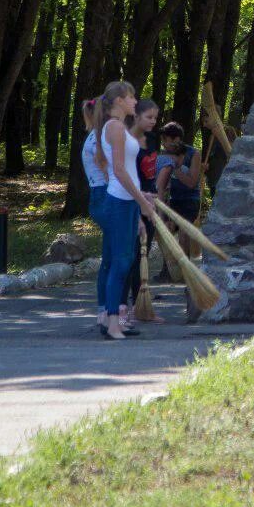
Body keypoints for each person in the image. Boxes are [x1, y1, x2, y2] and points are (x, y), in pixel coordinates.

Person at [94, 81, 157, 340]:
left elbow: (125, 170)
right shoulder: (116, 127)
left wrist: (140, 195)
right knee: (120, 262)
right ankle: (112, 323)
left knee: (119, 261)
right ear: (120, 100)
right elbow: (118, 170)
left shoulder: (117, 127)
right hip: (119, 203)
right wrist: (141, 201)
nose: (135, 101)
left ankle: (111, 320)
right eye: (131, 97)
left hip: (126, 201)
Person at [124, 99, 160, 326]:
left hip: (150, 201)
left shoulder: (153, 140)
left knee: (145, 252)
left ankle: (141, 303)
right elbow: (126, 175)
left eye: (155, 118)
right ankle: (132, 304)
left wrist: (154, 199)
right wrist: (139, 201)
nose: (153, 122)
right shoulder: (126, 141)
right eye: (149, 117)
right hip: (133, 201)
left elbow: (150, 174)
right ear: (136, 116)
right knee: (134, 255)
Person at [156, 122, 202, 224]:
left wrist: (175, 167)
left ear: (176, 140)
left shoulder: (193, 154)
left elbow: (192, 183)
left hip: (189, 199)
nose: (162, 144)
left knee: (184, 237)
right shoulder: (163, 155)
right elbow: (161, 185)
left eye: (165, 140)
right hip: (171, 200)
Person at [80, 98, 109, 228]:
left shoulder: (95, 135)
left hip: (99, 192)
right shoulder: (99, 137)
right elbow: (105, 168)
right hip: (104, 192)